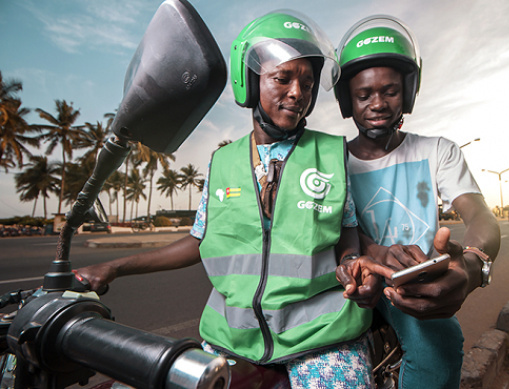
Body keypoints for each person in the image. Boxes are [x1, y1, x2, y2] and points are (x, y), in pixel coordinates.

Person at [78, 10, 385, 388]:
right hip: (231, 340)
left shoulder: (332, 154)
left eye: (307, 83)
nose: (297, 93)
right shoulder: (222, 162)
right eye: (282, 78)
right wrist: (115, 267)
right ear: (250, 81)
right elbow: (199, 240)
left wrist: (353, 264)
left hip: (322, 339)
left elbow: (347, 233)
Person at [333, 15, 501, 389]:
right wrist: (369, 255)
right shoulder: (331, 161)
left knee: (439, 347)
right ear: (347, 99)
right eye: (363, 94)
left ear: (408, 92)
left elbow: (480, 215)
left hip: (412, 284)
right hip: (352, 277)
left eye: (390, 91)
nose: (377, 103)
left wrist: (473, 263)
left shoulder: (437, 151)